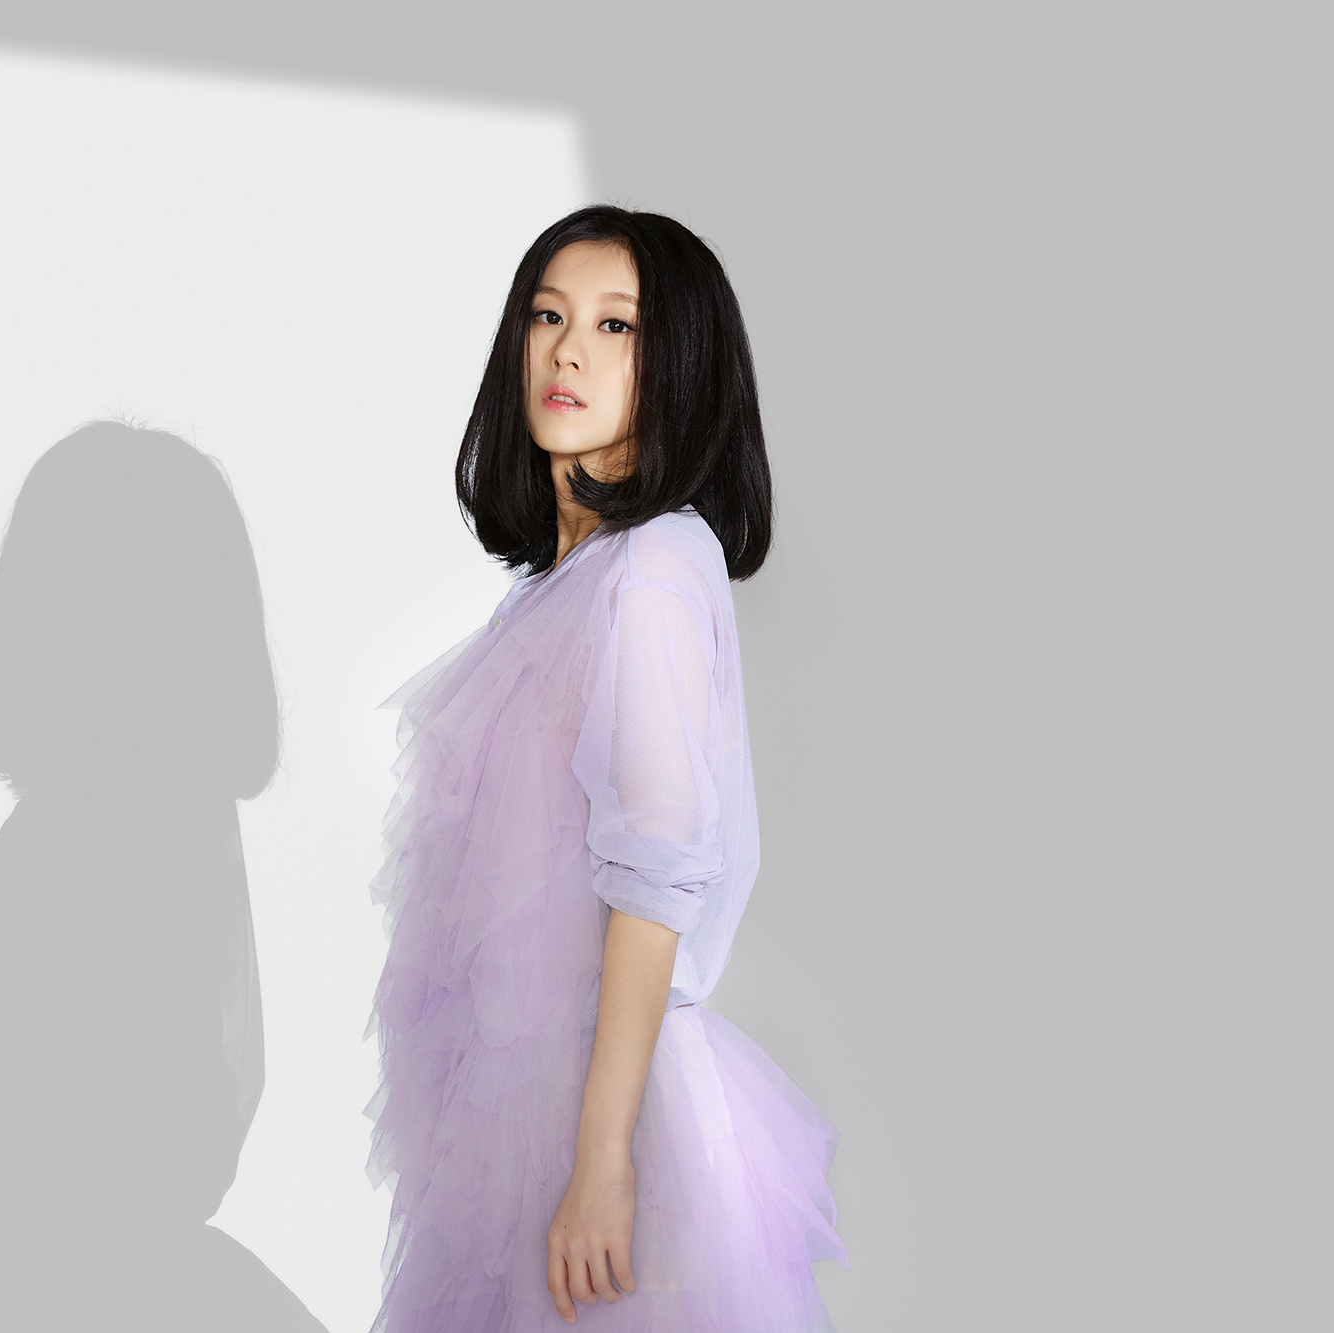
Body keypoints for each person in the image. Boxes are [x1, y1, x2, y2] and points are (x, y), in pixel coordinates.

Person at [364, 205, 847, 1330]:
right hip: (535, 1118)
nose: (568, 351)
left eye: (615, 325)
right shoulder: (564, 588)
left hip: (604, 1119)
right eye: (548, 316)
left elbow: (656, 871)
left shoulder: (654, 567)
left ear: (679, 363)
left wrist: (602, 1161)